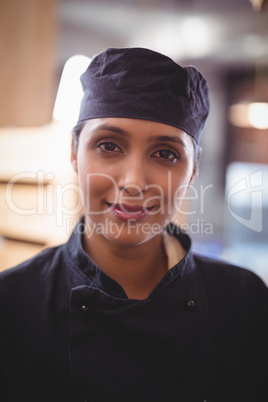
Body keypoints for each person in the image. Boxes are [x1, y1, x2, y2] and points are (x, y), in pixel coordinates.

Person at [0, 47, 267, 402]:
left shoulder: (243, 301)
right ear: (74, 153)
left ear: (193, 171)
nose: (134, 181)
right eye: (109, 145)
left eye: (165, 153)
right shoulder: (11, 305)